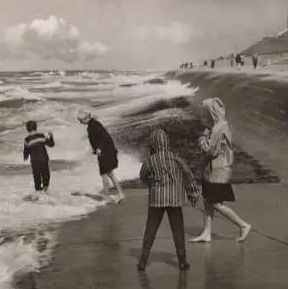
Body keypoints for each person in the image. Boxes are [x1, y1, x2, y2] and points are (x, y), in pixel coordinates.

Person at [138, 129, 201, 271]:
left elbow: (142, 176)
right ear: (166, 143)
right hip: (174, 199)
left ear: (153, 145)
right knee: (177, 230)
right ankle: (182, 261)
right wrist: (194, 194)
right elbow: (188, 175)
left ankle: (143, 261)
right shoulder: (175, 158)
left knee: (151, 230)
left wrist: (151, 183)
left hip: (156, 200)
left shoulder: (150, 161)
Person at [190, 98, 251, 243]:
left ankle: (243, 225)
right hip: (213, 169)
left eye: (205, 112)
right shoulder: (219, 126)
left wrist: (202, 139)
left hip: (218, 170)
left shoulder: (218, 129)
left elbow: (210, 151)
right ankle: (207, 232)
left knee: (217, 203)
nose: (203, 115)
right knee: (207, 201)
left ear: (211, 112)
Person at [77, 109, 125, 203]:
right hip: (106, 151)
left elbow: (104, 137)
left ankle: (107, 197)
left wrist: (99, 148)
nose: (80, 122)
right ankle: (120, 194)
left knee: (104, 174)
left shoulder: (94, 125)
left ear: (86, 118)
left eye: (81, 120)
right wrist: (96, 150)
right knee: (110, 174)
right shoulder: (93, 124)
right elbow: (101, 138)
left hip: (105, 152)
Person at [23, 120, 55, 193]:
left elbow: (26, 153)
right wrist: (51, 136)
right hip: (44, 161)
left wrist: (25, 158)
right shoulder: (42, 136)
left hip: (35, 163)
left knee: (37, 182)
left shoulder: (27, 140)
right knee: (46, 180)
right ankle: (46, 195)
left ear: (27, 129)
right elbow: (51, 144)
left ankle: (39, 199)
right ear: (36, 128)